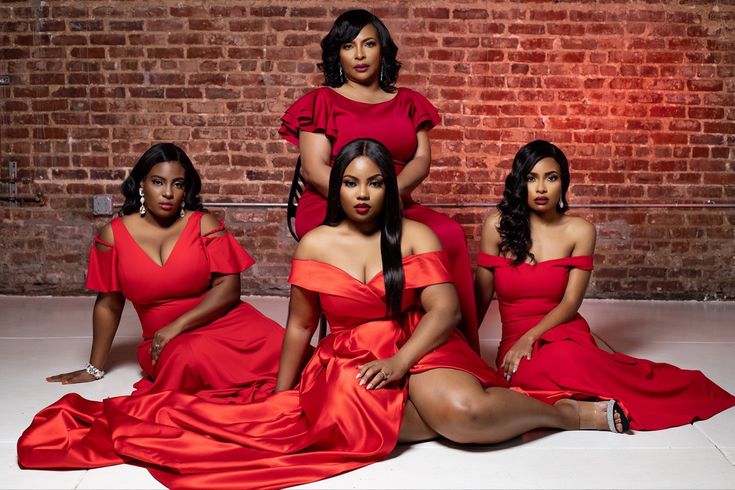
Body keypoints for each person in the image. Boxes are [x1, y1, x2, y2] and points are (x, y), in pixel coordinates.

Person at [19, 139, 629, 489]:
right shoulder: (313, 245)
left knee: (462, 412)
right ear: (335, 188)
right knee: (384, 417)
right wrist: (282, 396)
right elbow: (300, 328)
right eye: (351, 184)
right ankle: (539, 413)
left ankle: (569, 415)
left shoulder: (414, 236)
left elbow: (443, 312)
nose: (363, 195)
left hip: (418, 342)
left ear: (389, 188)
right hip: (347, 356)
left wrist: (398, 362)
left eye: (375, 184)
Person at [475, 140, 735, 430]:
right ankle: (582, 407)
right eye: (531, 178)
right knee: (522, 375)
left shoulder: (580, 230)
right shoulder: (497, 226)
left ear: (564, 182)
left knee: (568, 360)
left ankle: (597, 403)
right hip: (514, 341)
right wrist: (467, 351)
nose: (541, 188)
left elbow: (570, 303)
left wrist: (531, 338)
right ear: (519, 182)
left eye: (551, 178)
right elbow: (481, 297)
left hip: (560, 331)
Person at [279, 9, 480, 351]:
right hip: (333, 201)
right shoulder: (320, 101)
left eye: (368, 44)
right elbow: (314, 170)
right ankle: (353, 342)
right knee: (349, 237)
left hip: (396, 198)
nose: (359, 55)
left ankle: (454, 346)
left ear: (382, 50)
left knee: (449, 234)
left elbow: (420, 161)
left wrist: (391, 195)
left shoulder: (408, 102)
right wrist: (365, 198)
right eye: (348, 46)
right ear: (336, 54)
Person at [44, 142, 284, 398]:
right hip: (166, 342)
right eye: (158, 182)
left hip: (227, 323)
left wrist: (177, 325)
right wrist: (95, 368)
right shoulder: (113, 235)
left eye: (177, 184)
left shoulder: (204, 225)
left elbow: (229, 289)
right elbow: (109, 303)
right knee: (188, 358)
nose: (168, 192)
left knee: (284, 346)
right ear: (141, 185)